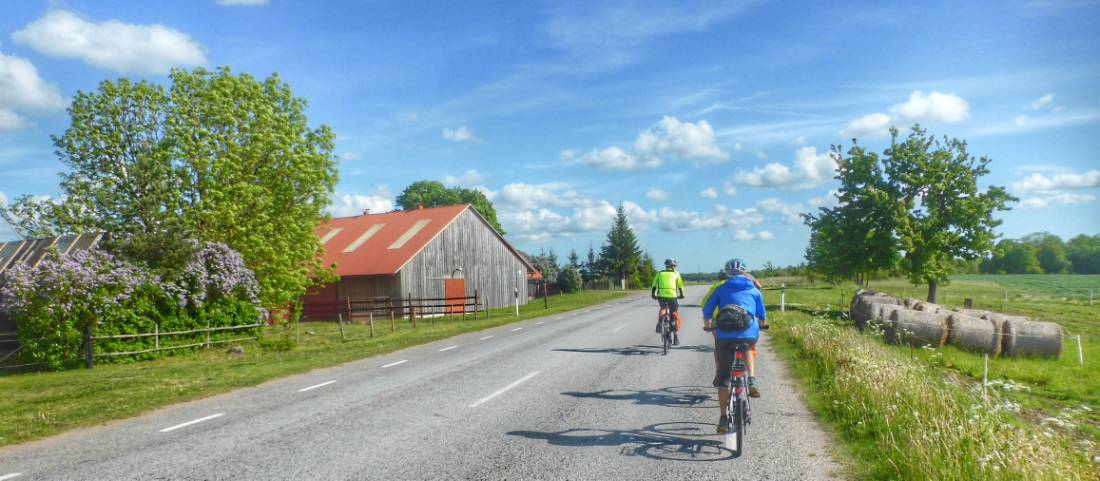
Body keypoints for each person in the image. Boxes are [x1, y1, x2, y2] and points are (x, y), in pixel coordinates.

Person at [702, 258, 767, 434]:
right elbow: (762, 315)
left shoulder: (720, 288)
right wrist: (760, 324)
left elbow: (707, 311)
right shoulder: (754, 290)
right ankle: (752, 379)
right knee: (747, 347)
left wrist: (708, 325)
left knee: (724, 379)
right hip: (748, 333)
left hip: (724, 336)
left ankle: (723, 418)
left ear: (728, 273)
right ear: (745, 272)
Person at [651, 258, 685, 345]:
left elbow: (654, 285)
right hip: (672, 297)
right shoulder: (676, 274)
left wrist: (653, 294)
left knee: (663, 308)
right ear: (673, 266)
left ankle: (659, 322)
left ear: (666, 266)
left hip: (661, 296)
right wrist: (681, 295)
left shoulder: (659, 273)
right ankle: (676, 337)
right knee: (674, 313)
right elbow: (680, 286)